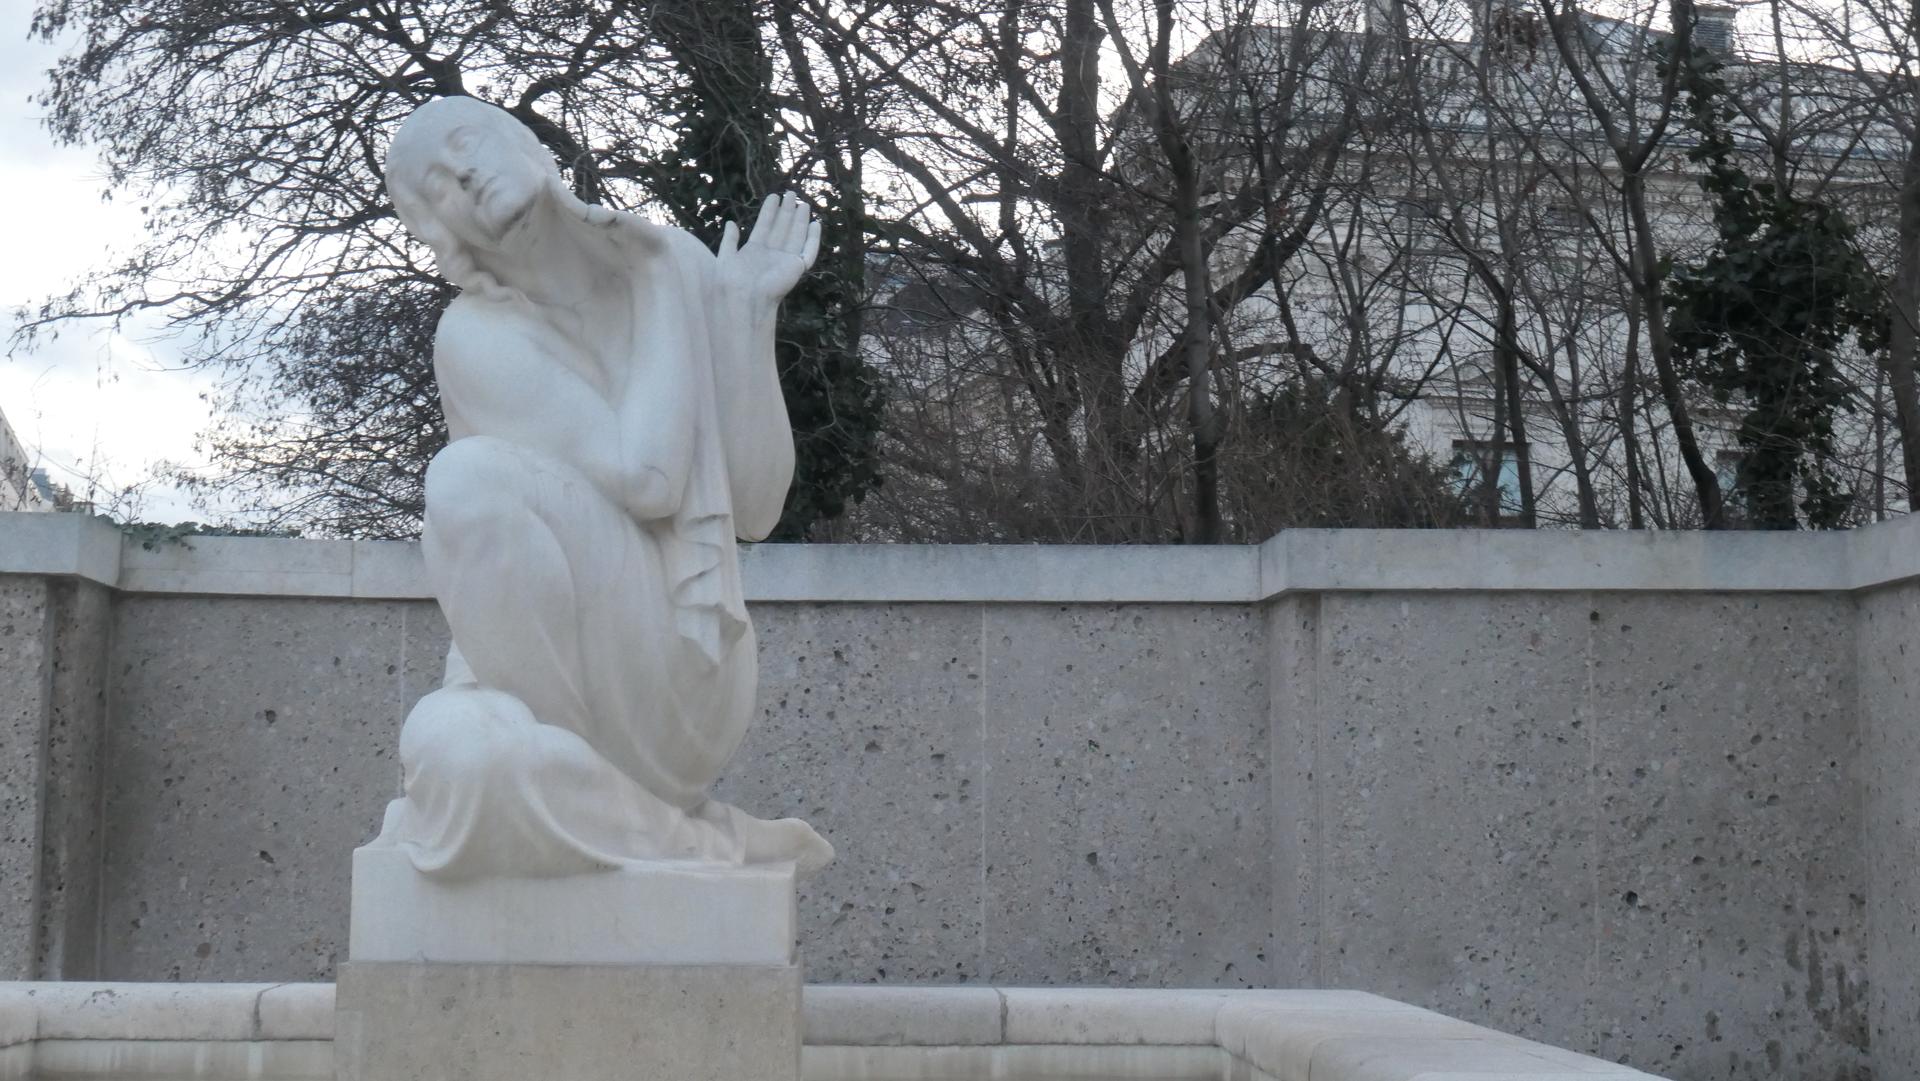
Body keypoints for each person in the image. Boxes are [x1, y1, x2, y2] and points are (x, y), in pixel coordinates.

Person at [367, 94, 831, 878]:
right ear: (441, 231)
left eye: (467, 143)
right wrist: (657, 281)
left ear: (524, 143)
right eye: (438, 183)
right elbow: (645, 476)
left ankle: (609, 800)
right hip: (540, 673)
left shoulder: (671, 261)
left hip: (681, 668)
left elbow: (751, 505)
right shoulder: (477, 336)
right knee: (456, 758)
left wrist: (746, 317)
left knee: (466, 479)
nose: (465, 175)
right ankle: (668, 833)